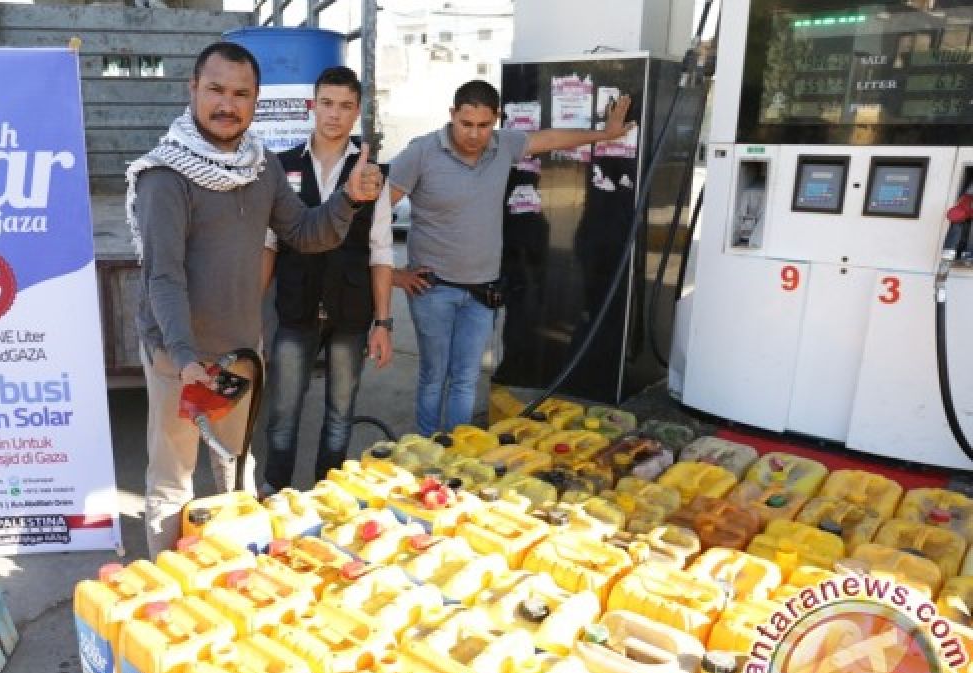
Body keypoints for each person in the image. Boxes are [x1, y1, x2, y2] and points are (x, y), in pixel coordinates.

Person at [127, 43, 384, 556]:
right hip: (178, 356)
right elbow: (164, 277)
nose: (228, 104)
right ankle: (165, 589)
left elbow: (305, 233)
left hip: (240, 351)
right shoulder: (165, 175)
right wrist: (183, 356)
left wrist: (348, 200)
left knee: (235, 467)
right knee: (173, 483)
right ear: (193, 90)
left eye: (242, 93)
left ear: (256, 100)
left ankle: (234, 580)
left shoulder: (260, 165)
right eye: (216, 90)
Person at [389, 80, 634, 435]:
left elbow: (549, 139)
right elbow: (377, 213)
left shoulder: (503, 146)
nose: (474, 134)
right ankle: (426, 448)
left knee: (466, 378)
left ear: (497, 120)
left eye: (484, 125)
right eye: (466, 124)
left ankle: (455, 453)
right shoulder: (421, 153)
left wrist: (605, 134)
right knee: (433, 375)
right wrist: (395, 275)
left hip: (482, 294)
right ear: (452, 115)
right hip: (432, 290)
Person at [260, 66, 394, 490]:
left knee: (340, 415)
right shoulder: (281, 167)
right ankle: (275, 495)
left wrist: (384, 323)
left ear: (357, 113)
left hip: (350, 314)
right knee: (282, 414)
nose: (334, 114)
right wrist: (251, 316)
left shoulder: (373, 174)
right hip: (295, 310)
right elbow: (268, 243)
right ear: (311, 107)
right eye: (327, 104)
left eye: (345, 106)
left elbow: (382, 251)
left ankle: (324, 497)